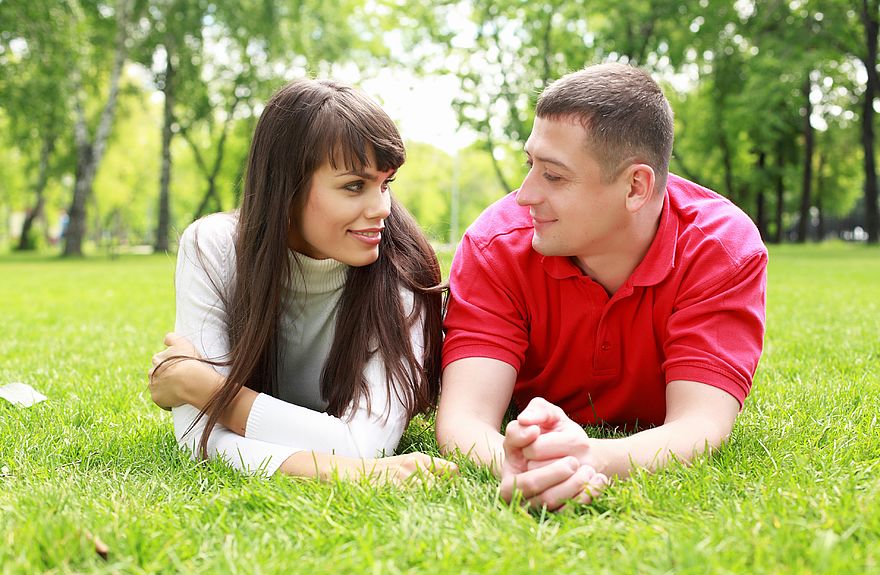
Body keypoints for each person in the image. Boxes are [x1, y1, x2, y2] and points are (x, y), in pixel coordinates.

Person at [436, 63, 767, 510]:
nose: (524, 195)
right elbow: (464, 419)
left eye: (553, 175)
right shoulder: (494, 246)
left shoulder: (721, 249)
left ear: (636, 186)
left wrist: (589, 457)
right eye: (529, 164)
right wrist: (511, 463)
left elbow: (699, 424)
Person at [148, 79, 457, 485]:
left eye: (385, 185)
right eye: (354, 186)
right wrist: (345, 471)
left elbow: (366, 446)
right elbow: (197, 435)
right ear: (286, 186)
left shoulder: (403, 268)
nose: (382, 207)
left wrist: (199, 387)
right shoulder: (214, 247)